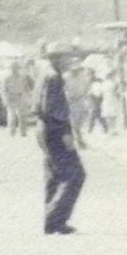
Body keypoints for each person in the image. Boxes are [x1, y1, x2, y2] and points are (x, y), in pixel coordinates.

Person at [38, 44, 86, 234]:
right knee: (74, 174)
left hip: (45, 130)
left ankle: (51, 222)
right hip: (56, 131)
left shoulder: (46, 75)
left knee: (54, 176)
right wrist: (66, 133)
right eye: (65, 57)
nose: (68, 61)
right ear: (56, 58)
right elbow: (54, 110)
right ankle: (56, 220)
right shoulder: (54, 78)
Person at [3, 59, 37, 138]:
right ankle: (11, 133)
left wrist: (30, 96)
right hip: (11, 98)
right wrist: (5, 100)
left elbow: (26, 87)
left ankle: (23, 133)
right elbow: (4, 90)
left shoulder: (22, 77)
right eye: (13, 68)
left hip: (21, 97)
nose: (14, 69)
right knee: (12, 117)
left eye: (16, 68)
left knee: (22, 116)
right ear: (10, 68)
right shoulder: (6, 78)